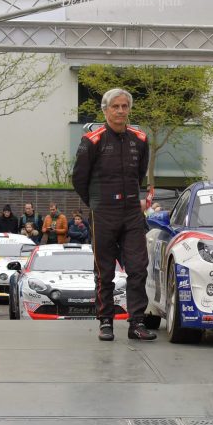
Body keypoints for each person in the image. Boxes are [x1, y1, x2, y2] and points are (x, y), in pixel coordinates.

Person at [72, 88, 156, 342]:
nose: (120, 111)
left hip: (131, 212)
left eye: (124, 106)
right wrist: (96, 203)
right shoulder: (92, 140)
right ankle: (105, 322)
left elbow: (139, 174)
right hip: (103, 212)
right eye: (115, 107)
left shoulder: (140, 139)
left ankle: (137, 323)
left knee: (138, 267)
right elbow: (78, 178)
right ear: (105, 110)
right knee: (104, 270)